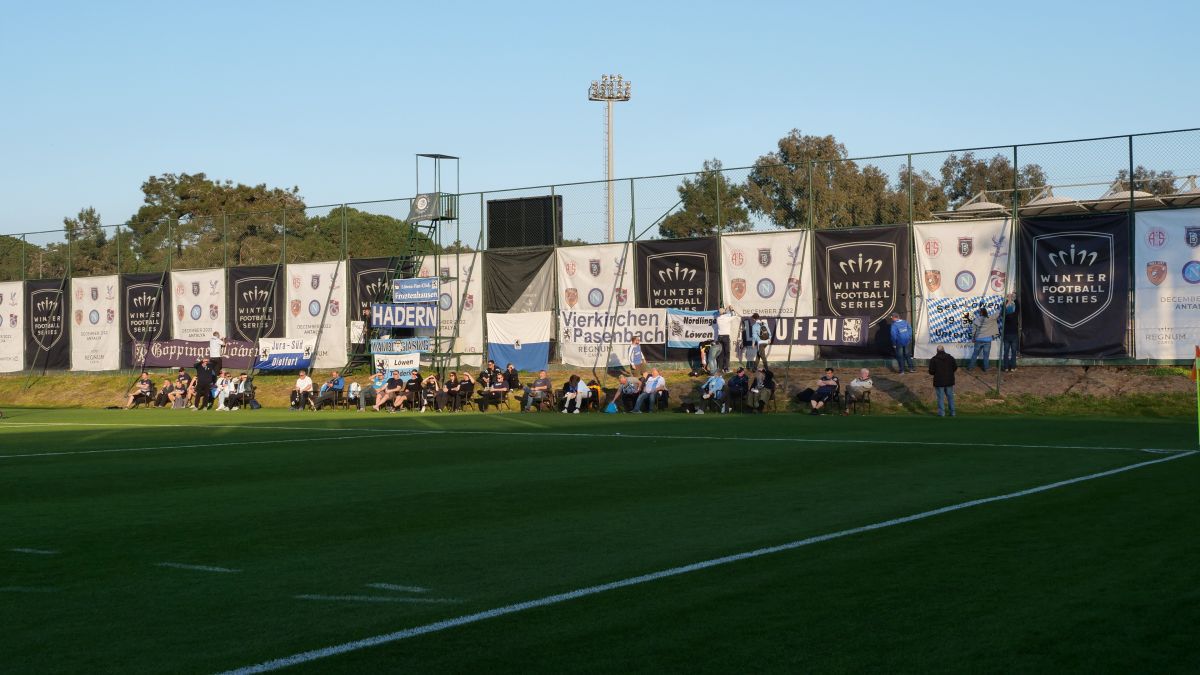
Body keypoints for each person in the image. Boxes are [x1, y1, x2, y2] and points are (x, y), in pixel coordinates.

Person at [929, 344, 958, 417]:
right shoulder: (950, 358)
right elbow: (955, 368)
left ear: (937, 351)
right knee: (950, 397)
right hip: (949, 380)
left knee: (940, 398)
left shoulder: (934, 359)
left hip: (939, 381)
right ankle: (953, 412)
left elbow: (931, 372)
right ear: (944, 350)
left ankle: (942, 413)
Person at [968, 306, 999, 372]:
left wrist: (973, 338)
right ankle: (986, 368)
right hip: (987, 340)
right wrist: (999, 308)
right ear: (986, 312)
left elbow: (974, 330)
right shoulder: (990, 318)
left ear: (980, 313)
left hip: (978, 339)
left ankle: (970, 367)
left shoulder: (976, 320)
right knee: (986, 355)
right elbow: (997, 314)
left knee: (975, 354)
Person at [715, 306, 737, 372]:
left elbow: (723, 314)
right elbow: (734, 315)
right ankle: (726, 368)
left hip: (719, 337)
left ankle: (720, 368)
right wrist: (732, 309)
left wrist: (726, 310)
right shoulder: (727, 318)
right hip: (725, 337)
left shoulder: (718, 318)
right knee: (727, 353)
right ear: (724, 312)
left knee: (721, 353)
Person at [1001, 293, 1019, 372]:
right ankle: (1013, 367)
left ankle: (1005, 367)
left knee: (1006, 352)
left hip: (1006, 335)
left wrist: (1008, 300)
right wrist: (1013, 298)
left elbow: (1003, 310)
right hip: (1014, 335)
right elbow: (1018, 306)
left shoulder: (1005, 316)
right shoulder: (1015, 315)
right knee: (1014, 352)